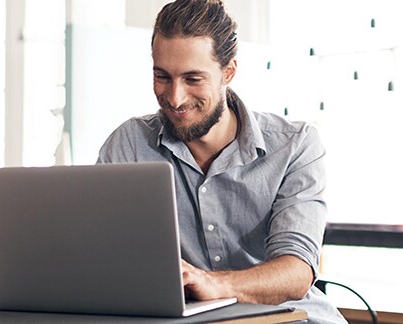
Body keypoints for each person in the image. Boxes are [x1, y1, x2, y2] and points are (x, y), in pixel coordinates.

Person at [97, 0, 347, 323]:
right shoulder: (129, 145)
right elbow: (102, 260)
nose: (175, 97)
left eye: (193, 79)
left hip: (293, 319)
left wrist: (213, 284)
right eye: (162, 76)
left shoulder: (295, 146)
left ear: (228, 72)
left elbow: (296, 271)